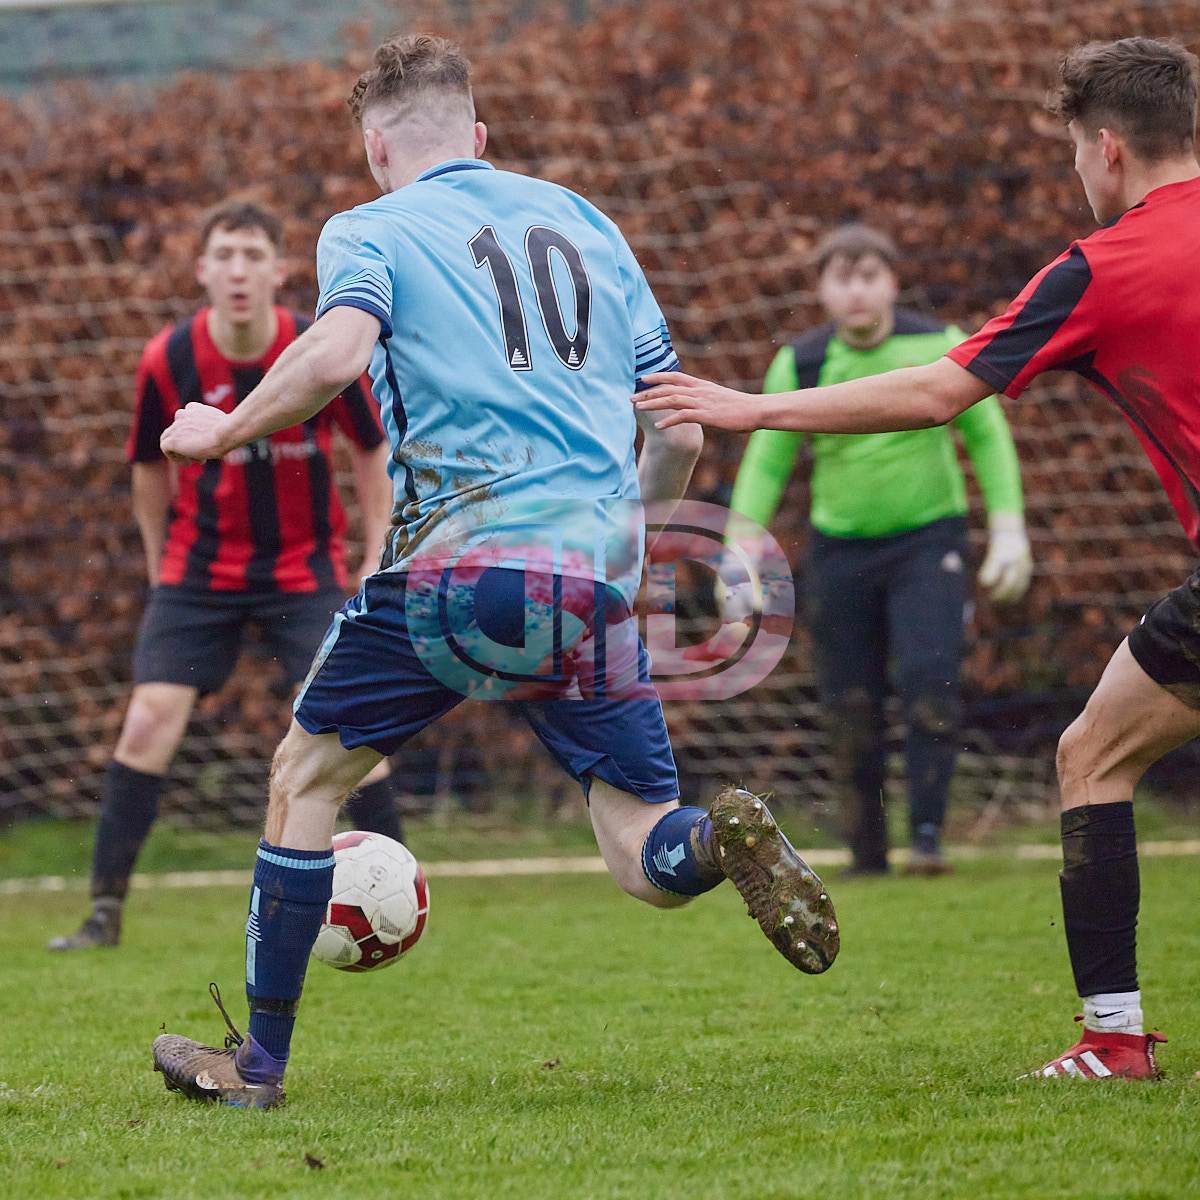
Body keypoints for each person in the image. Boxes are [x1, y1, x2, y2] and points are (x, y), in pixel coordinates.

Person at [148, 34, 840, 1110]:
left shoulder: (369, 228)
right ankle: (718, 838)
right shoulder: (589, 224)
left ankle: (259, 1067)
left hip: (459, 569)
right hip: (589, 581)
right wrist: (624, 556)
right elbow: (678, 429)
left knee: (305, 779)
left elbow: (337, 355)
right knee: (641, 851)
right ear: (478, 134)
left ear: (376, 147)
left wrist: (224, 427)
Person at [638, 35, 1200, 1080]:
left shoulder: (1101, 266)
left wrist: (746, 407)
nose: (1079, 171)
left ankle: (1114, 1040)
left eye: (1075, 152)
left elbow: (941, 393)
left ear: (1108, 149)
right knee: (1090, 745)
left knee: (1092, 760)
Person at [50, 201, 404, 952]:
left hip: (302, 569)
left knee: (347, 724)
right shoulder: (168, 358)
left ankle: (396, 890)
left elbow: (371, 449)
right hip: (199, 573)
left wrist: (376, 549)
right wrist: (160, 566)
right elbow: (148, 468)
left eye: (253, 255)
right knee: (148, 721)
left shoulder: (317, 348)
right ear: (202, 270)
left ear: (279, 270)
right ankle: (103, 911)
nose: (239, 271)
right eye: (225, 256)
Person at [724, 224, 1029, 876]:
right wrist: (737, 550)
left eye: (869, 276)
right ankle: (867, 856)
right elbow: (768, 462)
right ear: (821, 290)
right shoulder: (802, 363)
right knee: (850, 705)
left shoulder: (939, 345)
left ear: (892, 282)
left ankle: (927, 840)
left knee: (929, 685)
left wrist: (1009, 525)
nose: (857, 292)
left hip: (929, 543)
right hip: (840, 552)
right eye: (842, 278)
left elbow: (987, 435)